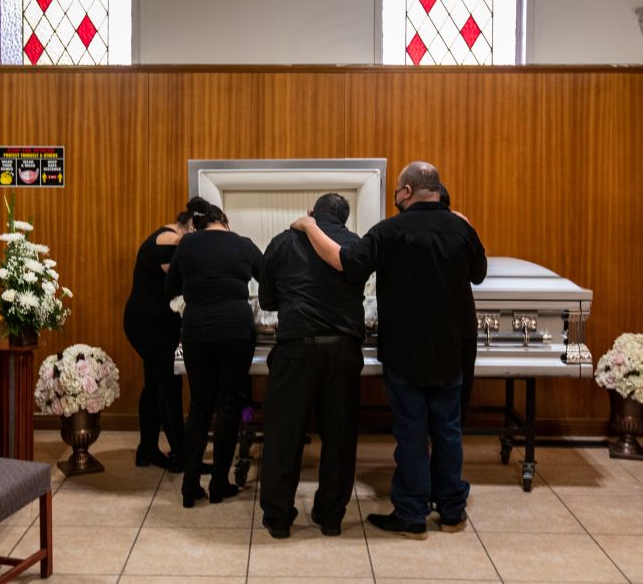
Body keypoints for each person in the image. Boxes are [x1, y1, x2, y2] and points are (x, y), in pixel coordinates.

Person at [293, 161, 487, 539]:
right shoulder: (461, 229)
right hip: (450, 348)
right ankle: (451, 511)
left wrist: (309, 226)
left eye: (397, 190)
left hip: (405, 350)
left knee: (412, 431)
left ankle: (412, 515)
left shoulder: (390, 230)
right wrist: (466, 224)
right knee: (448, 430)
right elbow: (478, 273)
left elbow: (345, 264)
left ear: (407, 192)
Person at [257, 193, 367, 539]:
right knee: (340, 434)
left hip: (295, 350)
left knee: (284, 435)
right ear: (344, 220)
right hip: (343, 352)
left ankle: (278, 518)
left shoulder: (283, 242)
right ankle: (331, 516)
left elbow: (266, 300)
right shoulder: (356, 245)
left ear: (311, 213)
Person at [165, 198, 263, 507]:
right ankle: (220, 484)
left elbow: (170, 288)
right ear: (226, 221)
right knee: (229, 405)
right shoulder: (244, 244)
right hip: (236, 329)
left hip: (198, 330)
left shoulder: (188, 245)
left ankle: (190, 486)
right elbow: (270, 282)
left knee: (199, 407)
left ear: (198, 224)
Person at [122, 201, 195, 472]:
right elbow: (175, 284)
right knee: (168, 385)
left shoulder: (171, 236)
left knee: (155, 385)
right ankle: (180, 454)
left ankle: (148, 449)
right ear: (189, 225)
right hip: (148, 323)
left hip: (152, 321)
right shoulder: (170, 239)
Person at [439, 184, 479, 428]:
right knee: (456, 406)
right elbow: (478, 273)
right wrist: (469, 228)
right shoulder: (462, 231)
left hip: (426, 332)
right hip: (462, 329)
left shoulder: (409, 228)